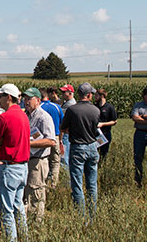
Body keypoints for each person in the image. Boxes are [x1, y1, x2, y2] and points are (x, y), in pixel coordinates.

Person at [0, 84, 30, 242]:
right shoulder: (24, 115)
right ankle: (24, 237)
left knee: (6, 211)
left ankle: (11, 239)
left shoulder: (4, 117)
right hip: (23, 167)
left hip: (9, 167)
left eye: (1, 96)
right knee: (18, 208)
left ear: (9, 98)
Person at [59, 82, 100, 219]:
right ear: (88, 95)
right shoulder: (96, 110)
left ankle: (81, 215)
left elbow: (63, 127)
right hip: (92, 145)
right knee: (92, 183)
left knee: (77, 183)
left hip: (78, 146)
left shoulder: (72, 110)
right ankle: (92, 213)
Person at [23, 88, 55, 222]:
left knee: (36, 192)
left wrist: (28, 144)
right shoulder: (27, 115)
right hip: (28, 160)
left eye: (29, 99)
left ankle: (37, 222)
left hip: (39, 160)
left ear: (38, 100)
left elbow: (51, 141)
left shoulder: (43, 117)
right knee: (27, 192)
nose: (26, 102)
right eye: (25, 99)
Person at [39, 88, 63, 188]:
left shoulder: (39, 107)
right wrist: (60, 139)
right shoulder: (56, 107)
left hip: (43, 139)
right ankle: (53, 183)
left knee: (44, 160)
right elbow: (62, 125)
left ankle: (43, 182)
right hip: (56, 137)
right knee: (55, 161)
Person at [94, 88, 117, 160]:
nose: (95, 97)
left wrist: (102, 124)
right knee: (95, 152)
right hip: (95, 134)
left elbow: (114, 121)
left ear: (102, 96)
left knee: (103, 153)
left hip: (105, 134)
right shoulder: (94, 106)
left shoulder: (109, 107)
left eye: (96, 95)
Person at [59, 84, 76, 168]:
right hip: (68, 133)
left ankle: (65, 176)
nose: (62, 93)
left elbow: (62, 119)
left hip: (66, 133)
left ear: (70, 93)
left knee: (64, 157)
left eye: (64, 92)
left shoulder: (70, 105)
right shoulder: (67, 103)